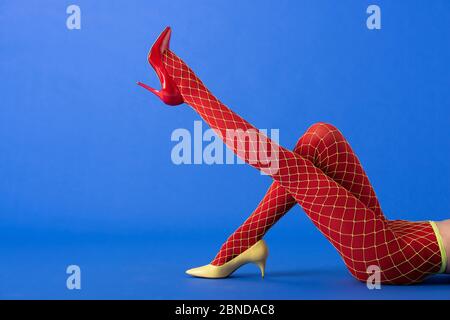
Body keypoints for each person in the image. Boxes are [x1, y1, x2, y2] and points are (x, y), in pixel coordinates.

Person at [137, 27, 449, 284]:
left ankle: (183, 83)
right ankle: (241, 245)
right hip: (393, 229)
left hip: (384, 256)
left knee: (288, 167)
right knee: (320, 138)